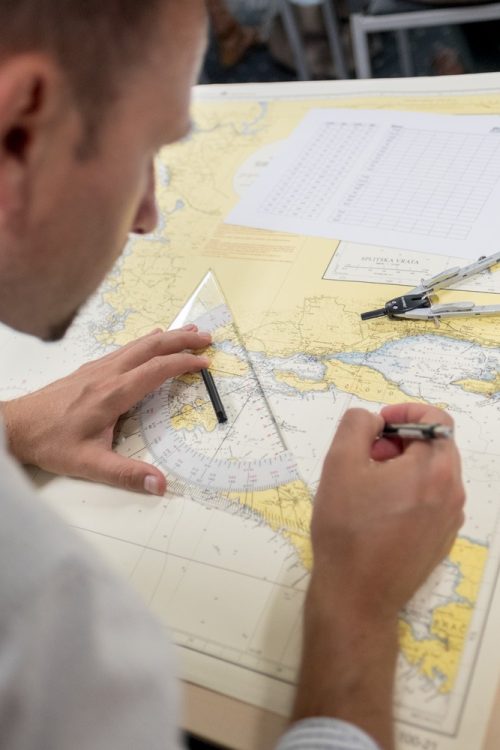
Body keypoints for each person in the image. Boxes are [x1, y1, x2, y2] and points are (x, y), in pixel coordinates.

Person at [0, 1, 465, 749]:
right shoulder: (44, 621)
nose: (149, 212)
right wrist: (357, 610)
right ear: (22, 125)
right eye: (146, 145)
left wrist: (11, 424)